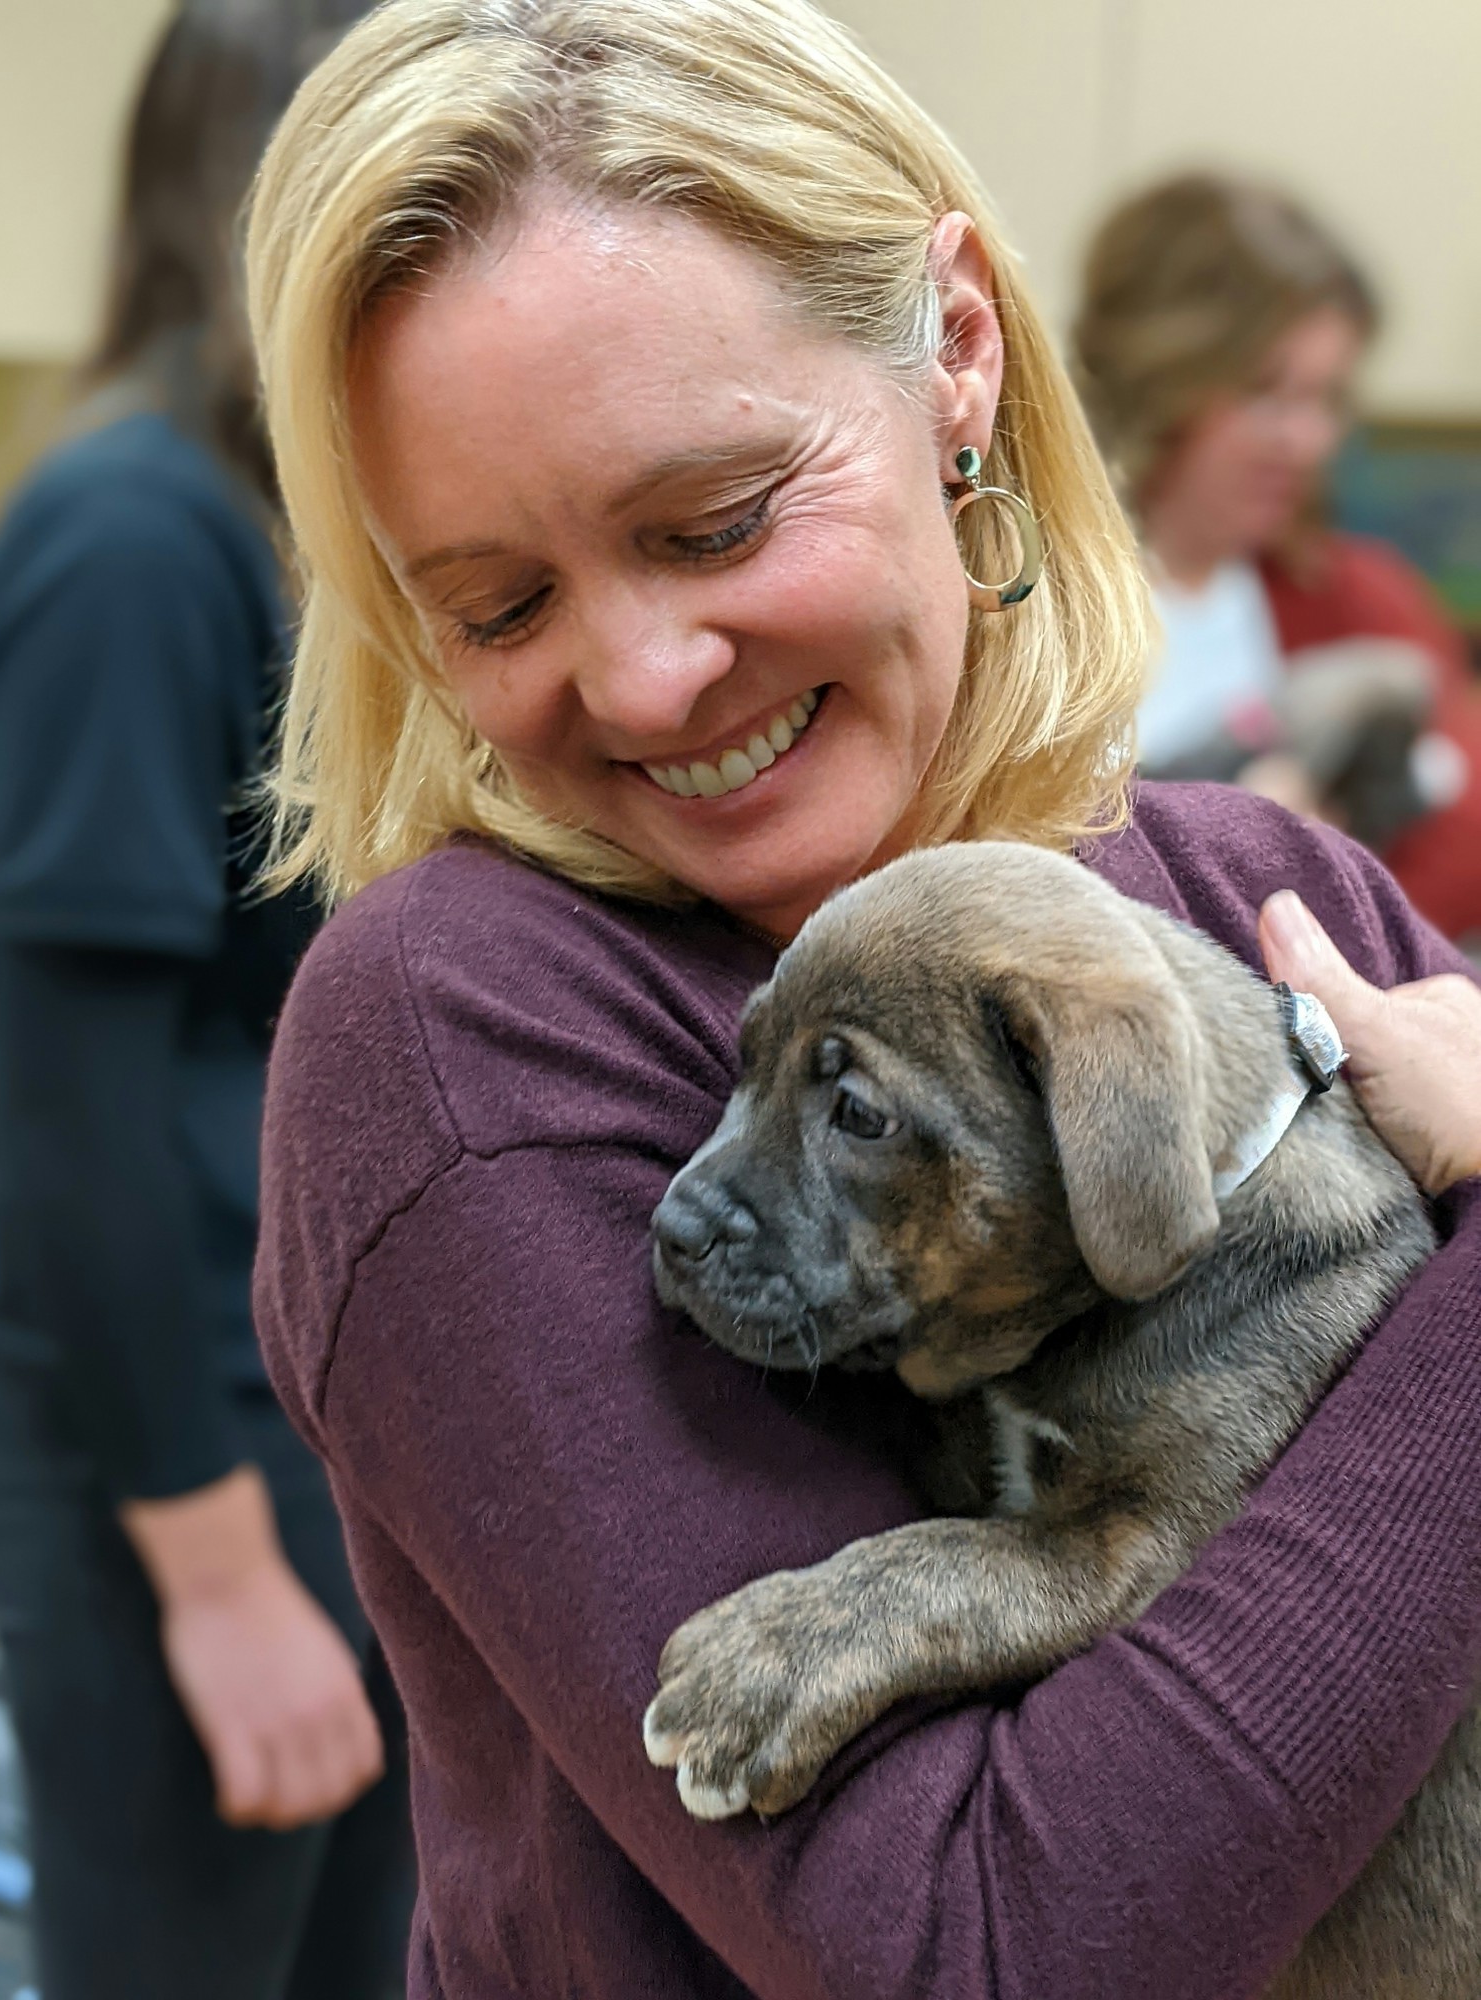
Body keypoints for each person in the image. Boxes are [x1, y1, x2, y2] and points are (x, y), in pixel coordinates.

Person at [244, 2, 1481, 1992]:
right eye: (499, 604)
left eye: (713, 520)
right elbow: (987, 1946)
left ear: (960, 355)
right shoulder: (464, 1034)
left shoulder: (1266, 896)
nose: (645, 678)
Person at [0, 9, 413, 1996]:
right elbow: (49, 1102)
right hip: (177, 1474)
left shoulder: (284, 519)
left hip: (305, 1443)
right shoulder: (132, 539)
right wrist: (216, 1568)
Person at [1073, 171, 1481, 944]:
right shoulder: (1029, 594)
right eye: (1266, 392)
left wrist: (1307, 884)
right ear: (1164, 380)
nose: (1305, 441)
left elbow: (1469, 842)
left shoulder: (1357, 602)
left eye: (1326, 400)